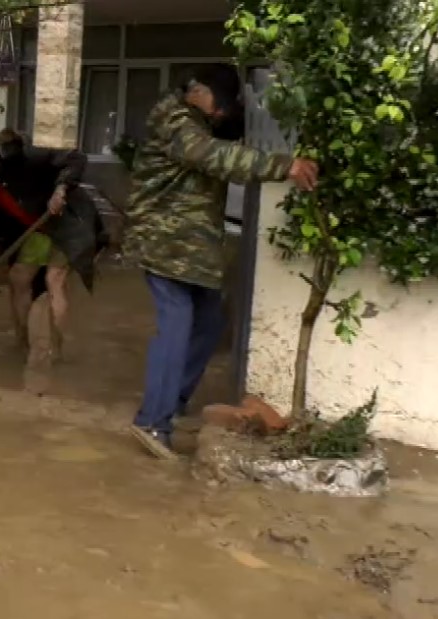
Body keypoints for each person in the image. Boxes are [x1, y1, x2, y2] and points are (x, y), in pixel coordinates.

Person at [124, 64, 319, 459]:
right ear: (198, 90)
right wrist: (285, 165)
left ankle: (172, 403)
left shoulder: (196, 119)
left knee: (211, 321)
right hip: (165, 243)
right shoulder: (177, 121)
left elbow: (223, 142)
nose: (219, 114)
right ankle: (152, 421)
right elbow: (213, 156)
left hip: (189, 247)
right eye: (219, 106)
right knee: (176, 325)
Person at [0, 130, 102, 363]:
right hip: (39, 228)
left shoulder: (26, 159)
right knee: (18, 278)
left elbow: (75, 157)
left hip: (69, 222)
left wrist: (61, 188)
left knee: (54, 279)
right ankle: (21, 343)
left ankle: (57, 351)